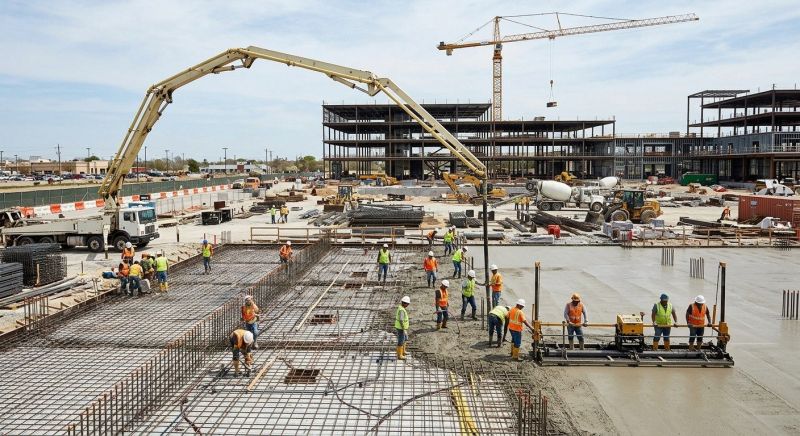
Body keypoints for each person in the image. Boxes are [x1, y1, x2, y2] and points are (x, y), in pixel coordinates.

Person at [395, 296, 411, 360]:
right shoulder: (401, 310)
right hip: (401, 328)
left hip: (402, 328)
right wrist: (403, 329)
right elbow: (401, 320)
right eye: (407, 304)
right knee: (401, 341)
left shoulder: (401, 308)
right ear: (404, 303)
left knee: (405, 338)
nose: (408, 305)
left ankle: (403, 351)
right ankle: (400, 355)